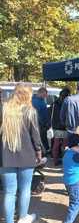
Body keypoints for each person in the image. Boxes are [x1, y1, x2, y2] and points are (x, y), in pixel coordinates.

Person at [0, 84, 43, 223]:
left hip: (6, 157)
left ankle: (8, 221)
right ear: (28, 95)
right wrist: (39, 153)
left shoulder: (4, 110)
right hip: (27, 156)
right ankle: (23, 217)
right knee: (25, 189)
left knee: (9, 191)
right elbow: (36, 136)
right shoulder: (30, 111)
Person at [49, 87, 71, 166]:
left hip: (56, 127)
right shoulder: (68, 104)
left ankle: (55, 160)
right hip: (65, 127)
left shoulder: (54, 103)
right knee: (65, 145)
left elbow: (50, 114)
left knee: (56, 144)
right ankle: (65, 160)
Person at [32, 87, 50, 154]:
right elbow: (37, 114)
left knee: (43, 138)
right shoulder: (33, 101)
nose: (45, 96)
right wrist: (43, 123)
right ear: (40, 93)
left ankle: (44, 150)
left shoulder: (41, 100)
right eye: (44, 95)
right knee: (40, 138)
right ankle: (41, 152)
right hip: (39, 124)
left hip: (42, 123)